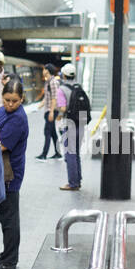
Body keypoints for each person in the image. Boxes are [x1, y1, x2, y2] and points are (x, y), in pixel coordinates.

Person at [0, 78, 28, 269]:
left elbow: (0, 145)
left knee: (9, 218)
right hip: (1, 171)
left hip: (10, 174)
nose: (10, 104)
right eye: (7, 100)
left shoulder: (18, 118)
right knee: (5, 217)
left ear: (22, 99)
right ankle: (6, 256)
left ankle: (9, 260)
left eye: (15, 101)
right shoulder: (3, 111)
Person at [56, 62, 86, 191]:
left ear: (64, 75)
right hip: (81, 124)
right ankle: (77, 180)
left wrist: (58, 116)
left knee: (70, 153)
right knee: (76, 153)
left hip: (69, 124)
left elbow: (62, 108)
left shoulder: (61, 90)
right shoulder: (79, 88)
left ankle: (73, 183)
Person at [36, 63, 62, 160]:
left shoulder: (53, 82)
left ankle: (44, 154)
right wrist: (39, 106)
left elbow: (55, 98)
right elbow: (47, 97)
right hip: (48, 110)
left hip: (52, 110)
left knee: (47, 131)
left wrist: (51, 112)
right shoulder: (48, 82)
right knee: (52, 133)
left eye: (44, 69)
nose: (43, 71)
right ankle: (58, 153)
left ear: (47, 71)